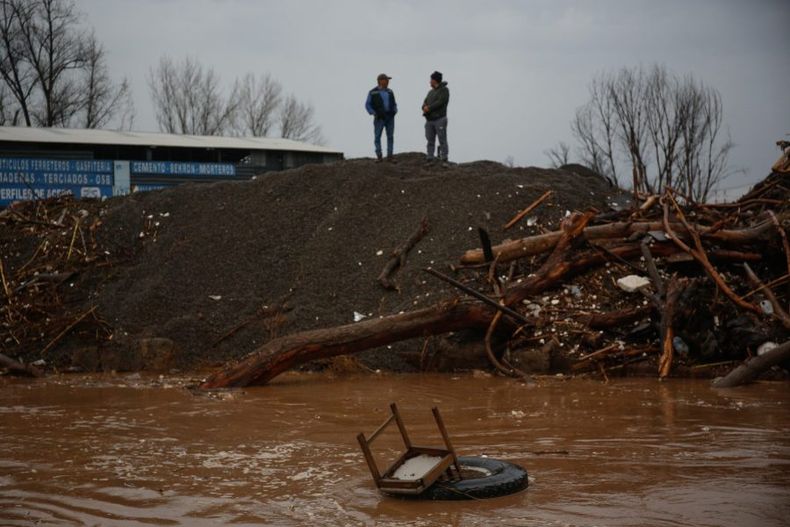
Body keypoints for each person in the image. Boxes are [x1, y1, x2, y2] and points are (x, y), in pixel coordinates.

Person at [365, 73, 398, 162]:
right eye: (386, 80)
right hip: (379, 118)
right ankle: (379, 156)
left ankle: (390, 156)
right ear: (380, 81)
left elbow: (394, 103)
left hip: (390, 117)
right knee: (377, 136)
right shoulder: (372, 92)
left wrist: (395, 110)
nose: (388, 82)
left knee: (390, 136)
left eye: (388, 80)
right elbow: (367, 105)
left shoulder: (390, 91)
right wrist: (373, 113)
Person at [422, 71, 450, 164]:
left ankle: (444, 157)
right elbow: (424, 102)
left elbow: (441, 102)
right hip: (429, 120)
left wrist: (428, 108)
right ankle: (430, 157)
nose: (429, 82)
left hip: (440, 119)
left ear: (435, 80)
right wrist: (424, 107)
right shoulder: (430, 92)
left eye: (431, 80)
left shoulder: (444, 90)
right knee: (430, 139)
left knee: (442, 139)